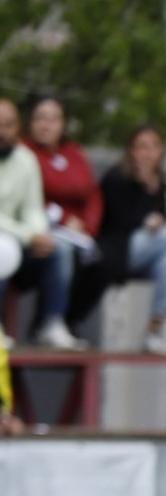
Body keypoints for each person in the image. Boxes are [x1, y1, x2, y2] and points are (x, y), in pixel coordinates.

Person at [97, 125, 166, 354]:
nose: (147, 153)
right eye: (141, 147)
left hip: (149, 252)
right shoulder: (116, 177)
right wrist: (147, 220)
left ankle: (153, 331)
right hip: (118, 250)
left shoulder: (160, 180)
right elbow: (118, 221)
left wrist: (155, 213)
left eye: (153, 147)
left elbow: (163, 219)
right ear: (131, 151)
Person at [0, 98, 82, 349]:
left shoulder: (25, 159)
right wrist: (28, 235)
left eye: (8, 125)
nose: (2, 132)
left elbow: (33, 208)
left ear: (18, 128)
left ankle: (51, 323)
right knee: (4, 250)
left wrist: (39, 233)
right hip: (8, 242)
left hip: (19, 240)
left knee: (60, 248)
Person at [23, 94, 105, 336]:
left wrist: (86, 226)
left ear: (63, 124)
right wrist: (62, 218)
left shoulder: (73, 152)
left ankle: (69, 320)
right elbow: (49, 185)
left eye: (54, 119)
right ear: (30, 122)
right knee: (61, 251)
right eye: (41, 118)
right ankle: (51, 321)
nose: (47, 125)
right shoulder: (23, 152)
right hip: (37, 234)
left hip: (77, 232)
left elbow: (91, 193)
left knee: (102, 262)